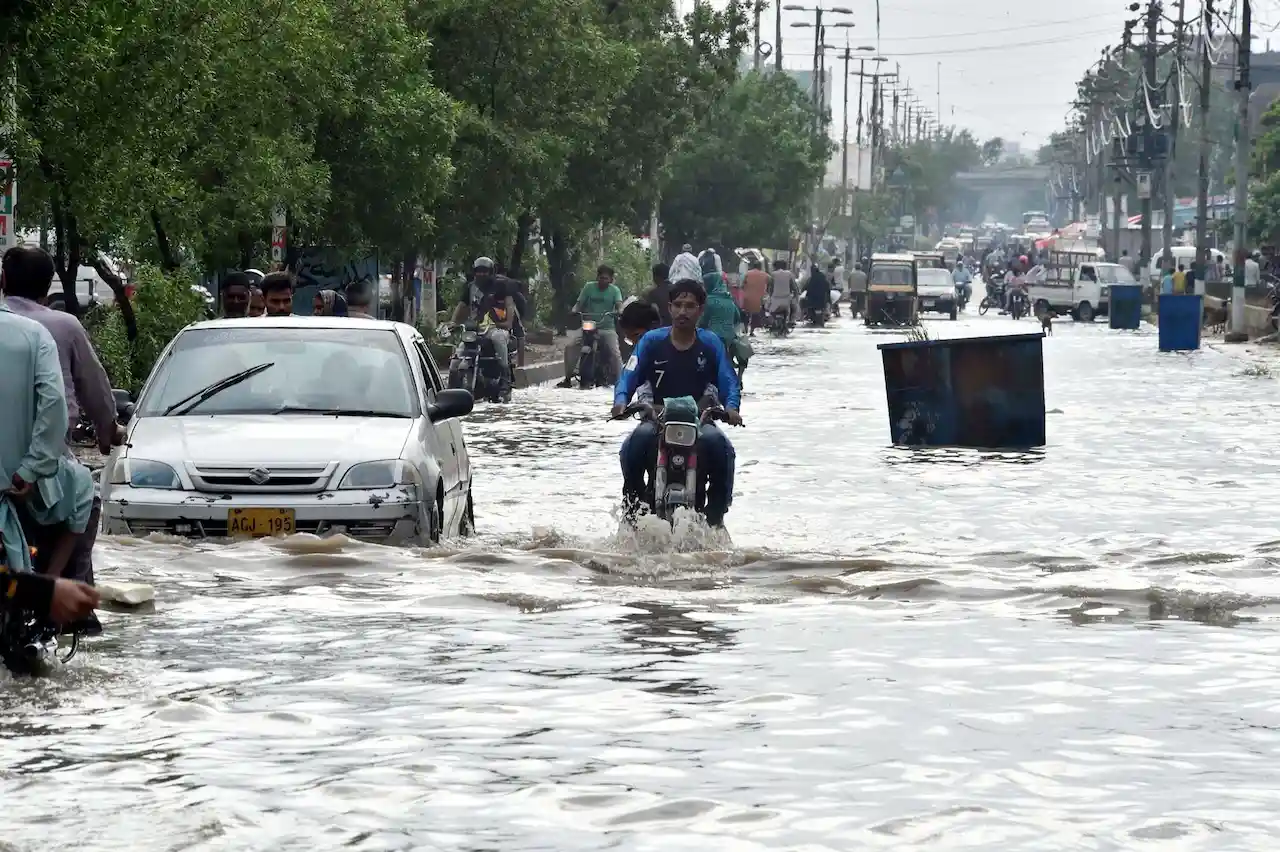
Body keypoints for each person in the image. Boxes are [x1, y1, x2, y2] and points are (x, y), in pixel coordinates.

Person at [2, 246, 121, 616]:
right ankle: (65, 600)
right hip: (37, 468)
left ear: (4, 280)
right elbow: (87, 394)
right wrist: (106, 432)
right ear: (46, 285)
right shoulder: (47, 330)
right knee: (86, 498)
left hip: (24, 469)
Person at [612, 278, 741, 527]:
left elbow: (728, 379)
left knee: (721, 447)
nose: (683, 311)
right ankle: (633, 509)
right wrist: (620, 402)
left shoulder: (711, 343)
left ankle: (716, 516)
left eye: (690, 306)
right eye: (678, 305)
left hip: (700, 421)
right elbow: (629, 373)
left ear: (700, 310)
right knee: (634, 445)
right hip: (657, 419)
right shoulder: (650, 341)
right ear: (669, 308)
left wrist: (732, 408)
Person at [452, 257, 516, 392]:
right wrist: (453, 322)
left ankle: (505, 376)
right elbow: (461, 306)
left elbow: (509, 305)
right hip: (475, 329)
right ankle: (451, 388)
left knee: (498, 338)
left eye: (484, 271)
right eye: (478, 271)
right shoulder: (470, 287)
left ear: (491, 272)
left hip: (496, 327)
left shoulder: (500, 285)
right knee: (457, 356)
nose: (481, 274)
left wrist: (508, 323)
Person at [560, 264, 623, 387]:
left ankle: (621, 380)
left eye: (606, 278)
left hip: (607, 327)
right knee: (571, 347)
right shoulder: (589, 287)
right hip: (588, 326)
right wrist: (574, 311)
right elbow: (579, 304)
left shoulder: (614, 290)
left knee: (615, 353)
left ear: (610, 279)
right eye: (601, 277)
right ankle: (567, 378)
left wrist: (620, 310)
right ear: (597, 277)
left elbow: (619, 304)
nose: (603, 280)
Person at [698, 254, 749, 380]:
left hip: (711, 338)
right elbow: (737, 318)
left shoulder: (708, 301)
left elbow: (703, 322)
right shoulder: (730, 300)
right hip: (730, 339)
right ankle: (739, 378)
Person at [741, 260, 768, 333]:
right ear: (760, 267)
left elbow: (742, 285)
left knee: (746, 314)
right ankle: (751, 331)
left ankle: (746, 329)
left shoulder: (747, 273)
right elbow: (769, 285)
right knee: (755, 316)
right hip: (758, 300)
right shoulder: (765, 275)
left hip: (747, 298)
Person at [768, 259, 797, 323]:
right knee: (794, 308)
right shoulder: (789, 274)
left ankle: (772, 322)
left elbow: (770, 288)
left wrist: (770, 296)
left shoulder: (773, 274)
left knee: (768, 310)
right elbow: (794, 288)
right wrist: (795, 296)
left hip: (775, 300)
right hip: (786, 300)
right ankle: (791, 321)